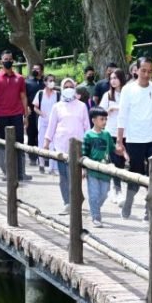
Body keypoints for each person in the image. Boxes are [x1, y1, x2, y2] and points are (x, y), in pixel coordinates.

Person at [116, 57, 152, 221]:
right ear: (136, 70)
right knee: (136, 172)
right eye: (143, 70)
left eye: (150, 71)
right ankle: (129, 202)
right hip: (135, 138)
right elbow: (122, 115)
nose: (146, 74)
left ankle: (149, 209)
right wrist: (119, 140)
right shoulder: (128, 89)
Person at [43, 77, 89, 214]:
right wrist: (46, 142)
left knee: (75, 176)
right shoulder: (57, 107)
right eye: (66, 87)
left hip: (78, 147)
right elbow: (51, 126)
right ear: (62, 89)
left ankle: (77, 199)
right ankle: (68, 203)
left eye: (71, 87)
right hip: (61, 146)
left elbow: (87, 126)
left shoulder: (81, 106)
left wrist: (89, 145)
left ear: (75, 89)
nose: (69, 89)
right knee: (64, 176)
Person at [0, 50, 32, 181]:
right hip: (1, 115)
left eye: (10, 59)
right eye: (5, 59)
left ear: (13, 61)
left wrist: (26, 116)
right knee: (4, 145)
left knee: (20, 143)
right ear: (1, 62)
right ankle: (7, 172)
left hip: (17, 114)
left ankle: (21, 172)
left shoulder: (20, 78)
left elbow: (23, 97)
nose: (8, 61)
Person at [82, 107, 115, 228]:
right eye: (102, 119)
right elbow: (84, 153)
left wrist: (122, 151)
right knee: (94, 194)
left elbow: (112, 149)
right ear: (94, 120)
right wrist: (83, 169)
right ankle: (96, 217)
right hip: (92, 170)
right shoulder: (88, 135)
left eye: (106, 119)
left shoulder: (107, 134)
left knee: (104, 193)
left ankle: (94, 208)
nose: (104, 122)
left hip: (105, 170)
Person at [98, 68, 127, 203]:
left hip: (127, 132)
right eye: (111, 78)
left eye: (116, 78)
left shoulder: (128, 93)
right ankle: (117, 189)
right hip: (111, 132)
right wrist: (107, 111)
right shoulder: (107, 95)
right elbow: (100, 111)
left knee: (122, 162)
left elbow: (131, 108)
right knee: (115, 161)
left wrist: (116, 107)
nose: (113, 81)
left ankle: (117, 189)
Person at [32, 74, 60, 175]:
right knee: (41, 143)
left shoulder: (57, 94)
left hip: (54, 123)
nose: (52, 82)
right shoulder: (40, 93)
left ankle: (52, 167)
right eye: (50, 80)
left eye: (53, 80)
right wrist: (41, 114)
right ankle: (41, 164)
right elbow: (35, 107)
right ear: (45, 82)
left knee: (53, 144)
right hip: (43, 122)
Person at [25, 63, 45, 166]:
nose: (35, 70)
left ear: (42, 71)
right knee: (31, 134)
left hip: (43, 113)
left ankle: (43, 158)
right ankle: (32, 157)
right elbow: (23, 97)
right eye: (33, 68)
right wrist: (26, 108)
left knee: (42, 135)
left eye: (37, 69)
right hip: (31, 112)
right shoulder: (27, 82)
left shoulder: (45, 83)